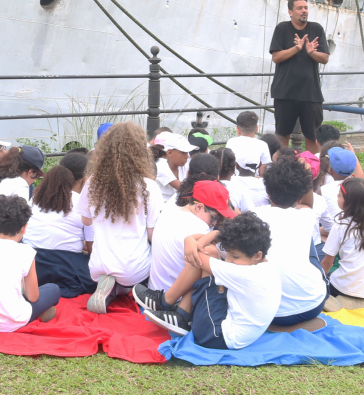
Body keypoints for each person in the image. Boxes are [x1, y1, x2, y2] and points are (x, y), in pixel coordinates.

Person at [137, 212, 281, 350]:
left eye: (235, 256)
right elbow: (200, 247)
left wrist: (190, 240)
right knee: (210, 253)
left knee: (204, 255)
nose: (229, 260)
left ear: (257, 255)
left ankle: (166, 302)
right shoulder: (263, 265)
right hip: (231, 328)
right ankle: (179, 311)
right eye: (229, 253)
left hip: (215, 336)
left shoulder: (246, 274)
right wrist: (207, 237)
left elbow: (196, 254)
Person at [77, 122, 163, 314]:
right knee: (145, 259)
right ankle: (124, 288)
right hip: (134, 268)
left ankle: (112, 287)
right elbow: (152, 235)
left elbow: (86, 221)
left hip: (98, 266)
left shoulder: (92, 182)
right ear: (141, 152)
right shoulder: (149, 186)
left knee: (117, 271)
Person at [0, 195, 61, 331]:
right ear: (24, 227)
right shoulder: (26, 252)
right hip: (11, 321)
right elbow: (33, 296)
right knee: (53, 289)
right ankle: (39, 312)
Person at [253, 155, 329, 328]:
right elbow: (308, 203)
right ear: (302, 194)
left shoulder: (253, 216)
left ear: (267, 191)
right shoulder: (306, 215)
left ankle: (276, 327)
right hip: (312, 306)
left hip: (265, 312)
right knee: (310, 245)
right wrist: (306, 174)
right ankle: (293, 326)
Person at [24, 155, 97, 297]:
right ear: (84, 180)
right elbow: (93, 250)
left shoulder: (37, 197)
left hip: (33, 265)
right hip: (66, 268)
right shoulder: (83, 203)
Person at [147, 180, 236, 292]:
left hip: (155, 288)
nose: (214, 223)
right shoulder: (199, 226)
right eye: (214, 217)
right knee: (213, 253)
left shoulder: (170, 210)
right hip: (177, 298)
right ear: (199, 207)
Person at [269, 0, 330, 153]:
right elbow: (276, 57)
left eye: (306, 8)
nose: (304, 11)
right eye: (299, 8)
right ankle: (282, 167)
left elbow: (324, 58)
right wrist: (296, 48)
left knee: (313, 135)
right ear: (290, 12)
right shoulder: (282, 29)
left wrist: (310, 52)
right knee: (282, 135)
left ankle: (314, 170)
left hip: (311, 94)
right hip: (285, 92)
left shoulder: (316, 29)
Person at [321, 177, 364, 300]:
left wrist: (318, 283)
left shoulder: (341, 225)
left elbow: (328, 262)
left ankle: (332, 300)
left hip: (341, 289)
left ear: (348, 203)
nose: (337, 198)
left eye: (339, 196)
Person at [224, 111, 272, 176]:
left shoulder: (231, 142)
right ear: (257, 128)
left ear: (238, 130)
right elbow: (264, 169)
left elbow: (227, 165)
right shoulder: (263, 145)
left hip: (234, 181)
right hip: (255, 181)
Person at [154, 132, 196, 203]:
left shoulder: (184, 165)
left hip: (177, 205)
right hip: (163, 208)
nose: (187, 156)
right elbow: (183, 188)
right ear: (170, 153)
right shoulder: (160, 166)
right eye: (183, 152)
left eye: (187, 152)